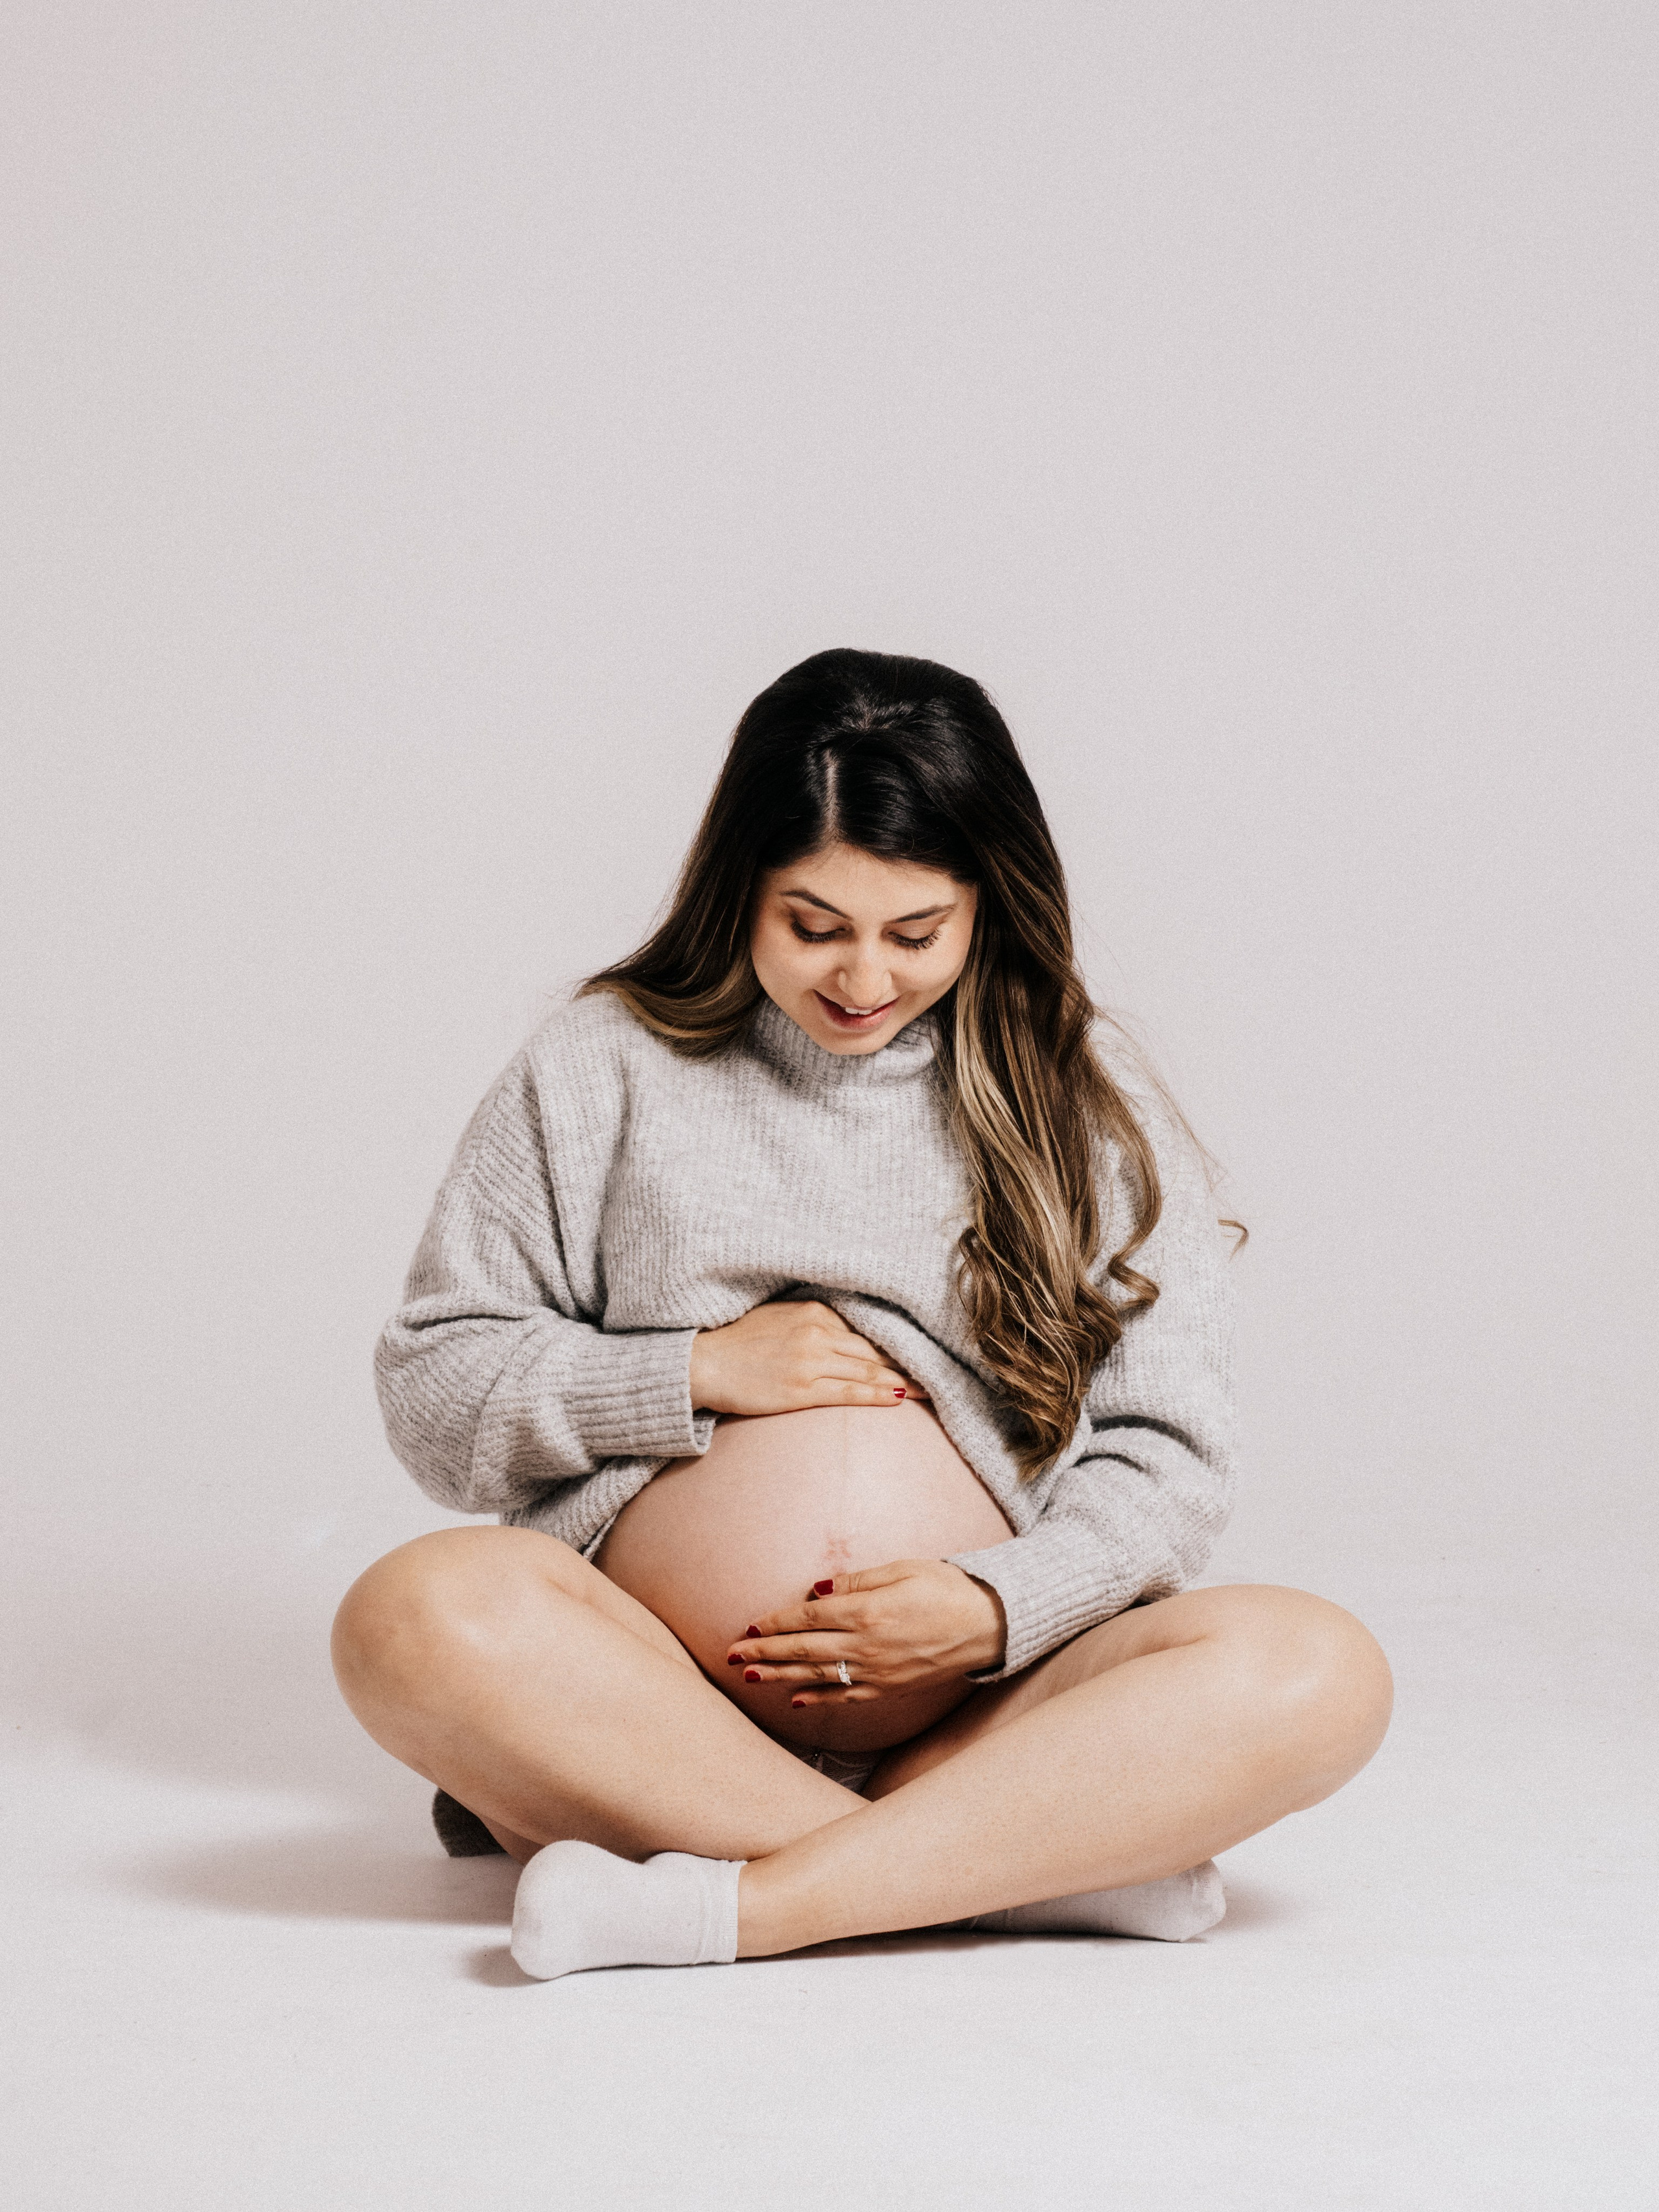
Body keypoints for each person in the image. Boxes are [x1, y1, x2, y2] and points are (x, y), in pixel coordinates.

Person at [331, 648, 1392, 1981]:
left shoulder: (1078, 1093)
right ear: (740, 896)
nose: (860, 980)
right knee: (408, 1616)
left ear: (984, 908)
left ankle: (743, 1901)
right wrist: (689, 1371)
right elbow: (437, 1388)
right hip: (643, 1706)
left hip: (984, 1715)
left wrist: (990, 1607)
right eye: (813, 925)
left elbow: (1166, 1457)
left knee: (1317, 1668)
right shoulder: (601, 1063)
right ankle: (1009, 1871)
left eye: (914, 933)